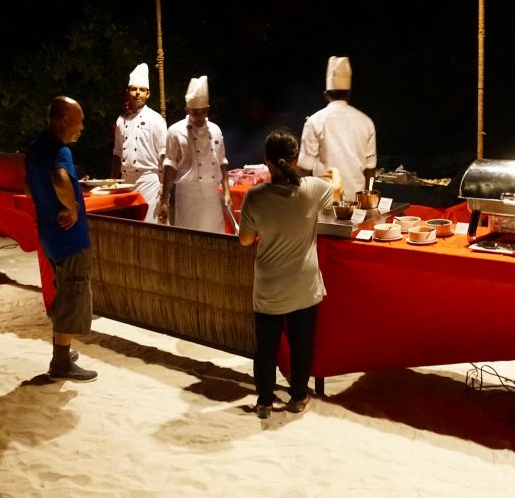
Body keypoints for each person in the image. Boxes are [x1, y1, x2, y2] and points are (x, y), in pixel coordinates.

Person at [239, 127, 335, 419]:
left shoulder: (254, 197)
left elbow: (245, 240)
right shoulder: (313, 189)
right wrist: (333, 172)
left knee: (266, 347)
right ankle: (298, 396)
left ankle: (265, 401)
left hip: (269, 285)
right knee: (301, 344)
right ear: (295, 160)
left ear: (266, 160)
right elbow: (335, 188)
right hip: (304, 285)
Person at [24, 96, 98, 382]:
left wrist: (48, 207)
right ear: (64, 120)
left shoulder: (34, 148)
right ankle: (61, 363)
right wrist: (71, 207)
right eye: (79, 120)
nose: (82, 126)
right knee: (72, 292)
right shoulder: (59, 150)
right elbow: (60, 179)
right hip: (69, 237)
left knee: (62, 289)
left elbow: (28, 185)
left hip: (49, 234)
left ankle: (63, 352)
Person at [297, 56, 376, 201]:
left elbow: (304, 168)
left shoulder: (314, 121)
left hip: (323, 199)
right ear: (349, 93)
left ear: (326, 95)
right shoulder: (366, 122)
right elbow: (370, 168)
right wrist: (367, 200)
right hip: (356, 202)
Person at [159, 76, 231, 232]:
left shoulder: (216, 130)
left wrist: (226, 191)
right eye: (195, 112)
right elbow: (169, 166)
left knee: (214, 240)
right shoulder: (175, 131)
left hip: (212, 196)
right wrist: (164, 200)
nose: (199, 117)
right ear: (187, 110)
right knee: (188, 242)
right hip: (187, 197)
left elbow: (222, 162)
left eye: (203, 112)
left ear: (208, 109)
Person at [111, 62, 167, 222]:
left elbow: (165, 154)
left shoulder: (156, 119)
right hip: (125, 183)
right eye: (134, 89)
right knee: (129, 227)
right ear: (128, 92)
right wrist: (112, 181)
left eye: (142, 90)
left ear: (148, 94)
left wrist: (164, 186)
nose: (137, 93)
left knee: (150, 227)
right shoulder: (121, 120)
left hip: (149, 181)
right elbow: (117, 154)